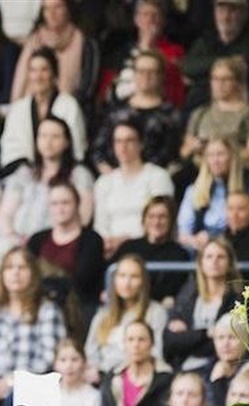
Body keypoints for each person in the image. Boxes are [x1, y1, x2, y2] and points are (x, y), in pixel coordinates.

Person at [0, 247, 66, 406]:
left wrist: (10, 382)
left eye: (22, 267)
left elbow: (49, 358)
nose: (15, 273)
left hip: (27, 390)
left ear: (33, 274)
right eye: (9, 267)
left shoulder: (47, 311)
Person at [0, 116, 94, 245]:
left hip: (57, 244)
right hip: (17, 243)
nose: (48, 142)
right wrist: (12, 237)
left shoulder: (79, 174)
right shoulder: (24, 173)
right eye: (43, 136)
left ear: (66, 142)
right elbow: (4, 214)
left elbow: (83, 216)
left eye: (55, 137)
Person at [93, 49, 185, 174]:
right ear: (134, 74)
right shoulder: (116, 110)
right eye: (141, 71)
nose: (146, 76)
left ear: (161, 76)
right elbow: (98, 151)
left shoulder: (171, 115)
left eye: (152, 72)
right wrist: (114, 178)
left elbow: (174, 159)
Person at [93, 121, 176, 258]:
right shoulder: (104, 182)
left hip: (150, 248)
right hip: (111, 251)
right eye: (118, 141)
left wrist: (128, 241)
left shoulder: (158, 176)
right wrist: (108, 243)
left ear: (141, 144)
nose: (123, 147)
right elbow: (100, 225)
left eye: (129, 140)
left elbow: (162, 218)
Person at [0, 47, 87, 175]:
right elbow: (10, 148)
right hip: (24, 173)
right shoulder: (18, 109)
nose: (38, 76)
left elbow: (77, 147)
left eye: (44, 70)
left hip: (63, 173)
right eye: (33, 70)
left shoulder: (69, 105)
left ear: (54, 74)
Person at [26, 180, 107, 314]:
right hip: (38, 305)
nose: (60, 209)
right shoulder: (37, 239)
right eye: (54, 204)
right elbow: (28, 275)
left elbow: (83, 281)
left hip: (78, 307)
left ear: (77, 204)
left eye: (65, 203)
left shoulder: (92, 239)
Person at [163, 237, 244, 371]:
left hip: (220, 368)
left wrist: (188, 336)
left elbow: (226, 345)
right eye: (209, 256)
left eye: (220, 257)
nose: (214, 261)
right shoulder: (187, 295)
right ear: (201, 262)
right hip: (182, 367)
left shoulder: (237, 300)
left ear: (229, 263)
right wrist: (206, 333)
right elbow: (171, 342)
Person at [85, 254, 169, 381]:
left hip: (139, 378)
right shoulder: (103, 314)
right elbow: (90, 351)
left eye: (134, 277)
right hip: (103, 377)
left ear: (143, 281)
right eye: (122, 276)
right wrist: (97, 371)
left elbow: (157, 352)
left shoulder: (155, 312)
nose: (127, 283)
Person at [99, 319, 173, 406]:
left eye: (141, 339)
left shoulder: (164, 379)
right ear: (124, 343)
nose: (136, 345)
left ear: (152, 343)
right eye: (131, 339)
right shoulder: (112, 377)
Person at [180, 56, 249, 173]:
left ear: (238, 82)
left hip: (237, 172)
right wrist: (194, 147)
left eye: (225, 79)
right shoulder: (200, 113)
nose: (219, 84)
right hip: (200, 172)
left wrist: (222, 155)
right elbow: (184, 151)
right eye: (215, 79)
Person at [178, 137, 249, 251]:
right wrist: (193, 241)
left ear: (231, 157)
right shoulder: (193, 190)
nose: (215, 160)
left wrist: (213, 238)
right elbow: (183, 233)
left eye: (220, 154)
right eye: (211, 155)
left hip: (239, 248)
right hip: (201, 252)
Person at [98, 0, 186, 109]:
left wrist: (148, 46)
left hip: (158, 108)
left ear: (163, 21)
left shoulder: (174, 51)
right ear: (136, 19)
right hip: (120, 107)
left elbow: (174, 88)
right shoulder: (121, 51)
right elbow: (106, 89)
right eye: (145, 14)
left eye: (155, 15)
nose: (150, 20)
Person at [9, 0, 97, 106]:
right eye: (47, 9)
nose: (52, 13)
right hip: (31, 105)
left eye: (58, 7)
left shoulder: (83, 41)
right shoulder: (34, 40)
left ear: (68, 9)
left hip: (69, 107)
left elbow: (86, 87)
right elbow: (20, 79)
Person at [180, 0, 249, 111]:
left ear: (244, 15)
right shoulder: (204, 41)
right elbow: (188, 67)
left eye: (232, 11)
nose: (225, 17)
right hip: (198, 104)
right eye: (221, 11)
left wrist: (201, 76)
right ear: (214, 13)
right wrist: (228, 61)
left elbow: (248, 72)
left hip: (235, 107)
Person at [113, 195, 192, 303]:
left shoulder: (179, 254)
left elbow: (172, 290)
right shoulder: (128, 247)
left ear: (171, 221)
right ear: (144, 220)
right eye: (151, 216)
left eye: (162, 217)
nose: (156, 222)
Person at [29, 338, 101, 406]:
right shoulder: (44, 393)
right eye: (63, 360)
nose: (69, 366)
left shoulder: (93, 397)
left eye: (74, 359)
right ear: (55, 364)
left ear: (84, 362)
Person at [196, 311, 248, 406]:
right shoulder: (205, 372)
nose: (225, 344)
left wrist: (217, 384)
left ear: (245, 341)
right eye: (220, 338)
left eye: (232, 337)